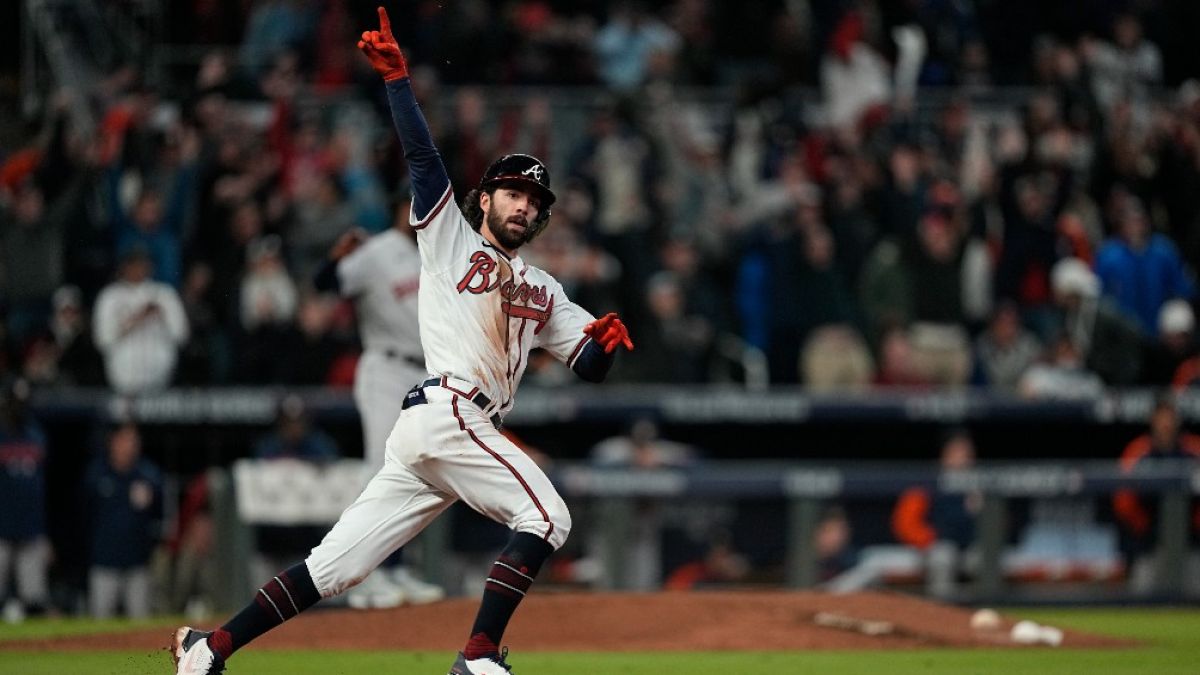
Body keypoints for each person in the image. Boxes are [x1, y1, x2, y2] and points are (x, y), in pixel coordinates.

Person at [172, 9, 634, 675]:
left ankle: (208, 649)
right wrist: (398, 84)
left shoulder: (548, 289)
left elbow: (585, 363)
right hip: (448, 412)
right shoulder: (449, 240)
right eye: (513, 191)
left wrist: (607, 345)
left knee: (336, 566)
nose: (525, 206)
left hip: (440, 431)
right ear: (485, 198)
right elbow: (422, 158)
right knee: (548, 516)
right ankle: (477, 654)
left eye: (536, 200)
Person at [314, 199, 444, 609]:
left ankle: (395, 568)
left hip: (423, 372)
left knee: (417, 472)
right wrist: (334, 257)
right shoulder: (378, 251)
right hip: (385, 368)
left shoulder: (436, 254)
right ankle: (363, 575)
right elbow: (326, 283)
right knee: (381, 471)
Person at [1112, 393, 1200, 595]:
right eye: (1161, 417)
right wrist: (1145, 529)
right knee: (1142, 601)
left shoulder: (1194, 449)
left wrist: (1194, 527)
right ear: (1153, 420)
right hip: (1149, 544)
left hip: (1192, 544)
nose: (1166, 423)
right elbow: (1123, 501)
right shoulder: (1138, 451)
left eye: (1170, 417)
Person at [85, 422, 163, 619]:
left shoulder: (148, 475)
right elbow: (83, 516)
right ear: (113, 442)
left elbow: (159, 517)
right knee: (99, 625)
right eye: (125, 440)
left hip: (138, 564)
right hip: (104, 562)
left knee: (140, 623)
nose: (130, 445)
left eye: (134, 441)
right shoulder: (97, 474)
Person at [92, 247, 190, 394]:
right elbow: (103, 339)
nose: (139, 268)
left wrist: (161, 316)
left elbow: (181, 335)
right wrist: (138, 318)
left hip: (161, 376)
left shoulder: (165, 293)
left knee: (158, 413)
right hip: (123, 376)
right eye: (134, 263)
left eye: (143, 263)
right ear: (124, 266)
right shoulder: (110, 295)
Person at [0, 378, 51, 621]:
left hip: (30, 529)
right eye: (14, 403)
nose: (18, 408)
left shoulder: (36, 435)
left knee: (34, 600)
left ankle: (38, 652)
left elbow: (40, 490)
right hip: (1, 529)